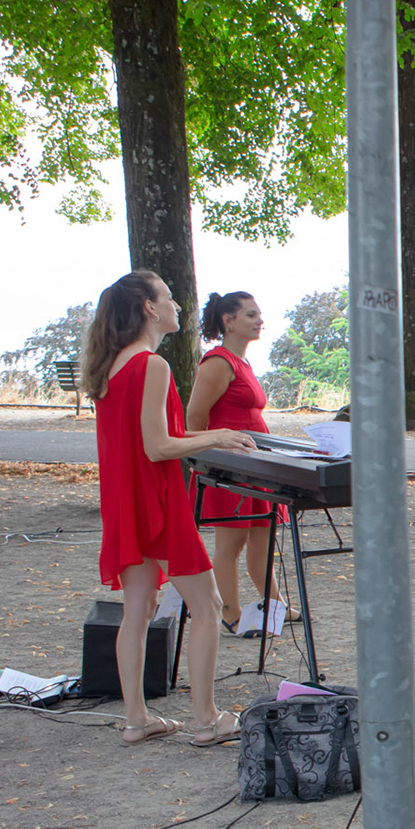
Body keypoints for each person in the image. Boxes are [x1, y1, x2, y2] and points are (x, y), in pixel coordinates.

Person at [84, 270, 257, 747]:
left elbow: (148, 442)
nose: (178, 305)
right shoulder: (149, 366)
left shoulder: (111, 365)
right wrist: (218, 435)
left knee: (137, 610)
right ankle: (207, 720)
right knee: (209, 607)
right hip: (156, 498)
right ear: (148, 308)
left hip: (124, 501)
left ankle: (137, 720)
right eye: (169, 297)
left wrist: (209, 436)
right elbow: (158, 447)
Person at [184, 290, 287, 637]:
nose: (260, 320)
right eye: (250, 315)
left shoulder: (242, 363)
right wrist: (204, 463)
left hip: (255, 463)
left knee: (263, 535)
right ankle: (230, 612)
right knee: (232, 543)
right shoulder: (217, 362)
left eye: (259, 314)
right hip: (228, 466)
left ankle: (275, 606)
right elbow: (195, 417)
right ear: (228, 321)